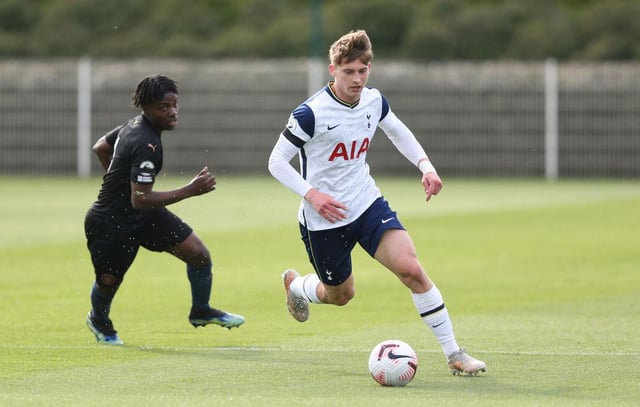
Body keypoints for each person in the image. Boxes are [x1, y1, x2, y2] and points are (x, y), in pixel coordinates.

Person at [268, 30, 486, 375]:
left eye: (363, 70)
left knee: (411, 269)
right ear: (332, 70)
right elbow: (276, 162)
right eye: (349, 72)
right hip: (324, 219)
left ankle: (455, 354)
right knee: (340, 295)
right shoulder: (311, 113)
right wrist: (313, 194)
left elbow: (398, 131)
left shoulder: (374, 101)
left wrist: (425, 166)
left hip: (367, 204)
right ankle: (297, 285)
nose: (357, 79)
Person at [84, 74, 244, 345]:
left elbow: (101, 147)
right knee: (109, 280)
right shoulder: (146, 142)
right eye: (164, 107)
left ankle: (200, 311)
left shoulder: (135, 127)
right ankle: (99, 320)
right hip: (111, 222)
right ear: (147, 107)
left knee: (198, 255)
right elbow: (140, 199)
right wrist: (190, 190)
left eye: (174, 105)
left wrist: (119, 182)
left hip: (141, 215)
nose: (172, 112)